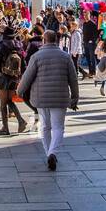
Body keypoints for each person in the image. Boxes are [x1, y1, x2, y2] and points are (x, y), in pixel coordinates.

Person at [18, 29, 80, 170]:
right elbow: (73, 79)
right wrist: (75, 97)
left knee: (45, 126)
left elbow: (27, 77)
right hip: (60, 98)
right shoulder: (65, 57)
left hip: (41, 98)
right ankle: (53, 152)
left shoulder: (36, 56)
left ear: (44, 41)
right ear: (56, 40)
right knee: (58, 127)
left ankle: (48, 153)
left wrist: (20, 91)